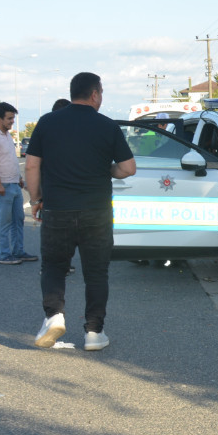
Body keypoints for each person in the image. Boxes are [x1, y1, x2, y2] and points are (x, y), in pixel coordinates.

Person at [25, 73, 136, 352]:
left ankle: (54, 317)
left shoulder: (47, 122)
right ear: (95, 94)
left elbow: (31, 166)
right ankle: (94, 333)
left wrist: (35, 199)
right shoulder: (107, 126)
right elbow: (128, 168)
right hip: (96, 212)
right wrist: (106, 169)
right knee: (96, 273)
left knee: (54, 266)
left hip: (57, 209)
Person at [0, 102, 37, 265]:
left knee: (18, 220)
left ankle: (18, 251)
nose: (12, 121)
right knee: (4, 222)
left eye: (13, 118)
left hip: (13, 184)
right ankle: (4, 254)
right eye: (9, 118)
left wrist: (19, 178)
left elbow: (10, 159)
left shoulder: (7, 135)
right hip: (2, 186)